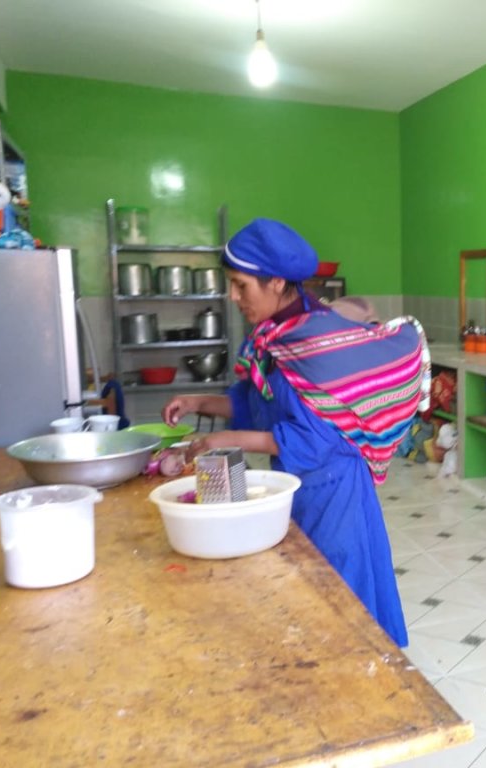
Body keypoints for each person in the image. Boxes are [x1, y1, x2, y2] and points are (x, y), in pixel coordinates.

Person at [161, 218, 428, 647]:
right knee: (306, 595)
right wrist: (198, 404)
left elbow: (311, 438)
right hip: (296, 484)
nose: (233, 297)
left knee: (343, 599)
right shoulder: (275, 337)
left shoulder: (315, 341)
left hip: (335, 493)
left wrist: (220, 440)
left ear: (276, 283)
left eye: (240, 285)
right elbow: (260, 407)